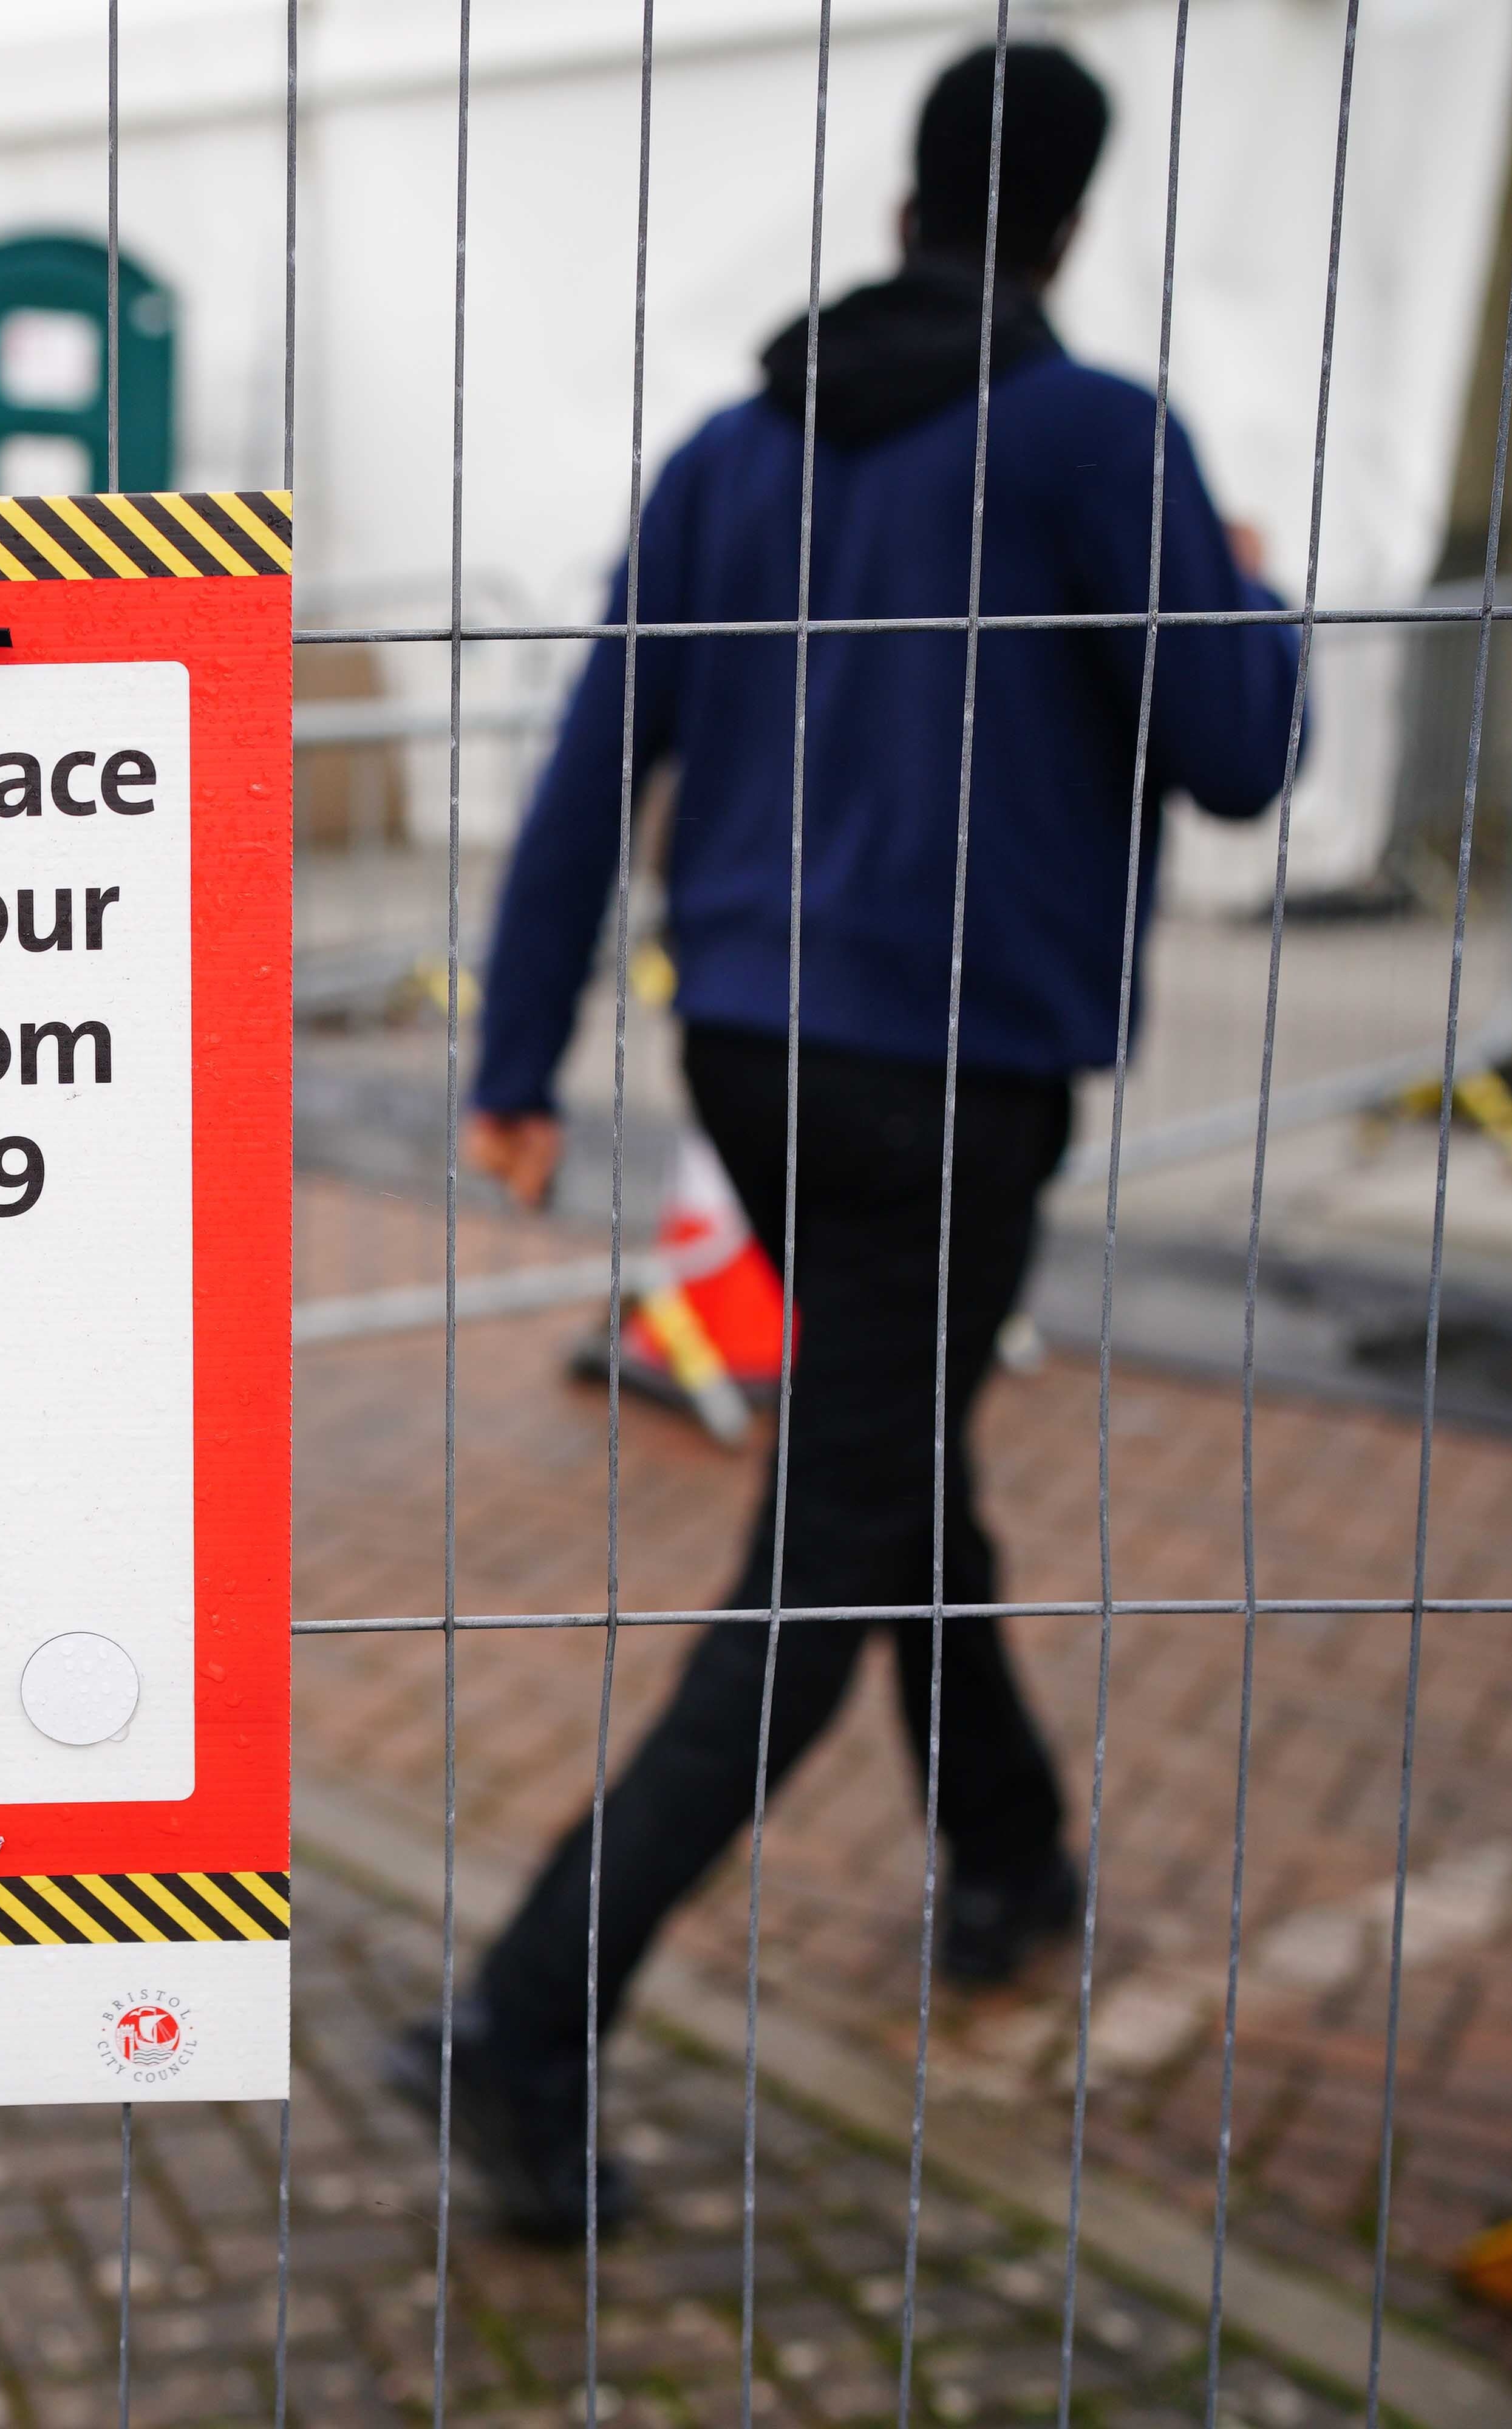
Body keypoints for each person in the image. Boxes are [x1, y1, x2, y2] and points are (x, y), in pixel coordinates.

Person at [399, 41, 1307, 2243]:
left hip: (751, 1058)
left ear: (908, 192)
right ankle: (527, 2018)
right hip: (959, 1081)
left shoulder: (733, 449)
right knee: (833, 1549)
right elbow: (1244, 754)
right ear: (1071, 218)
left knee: (888, 1457)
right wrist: (1247, 593)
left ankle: (1002, 1847)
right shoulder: (1099, 440)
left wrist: (518, 1064)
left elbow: (591, 758)